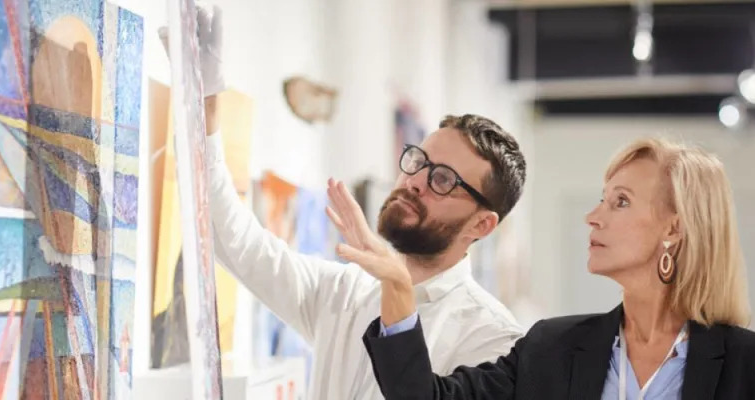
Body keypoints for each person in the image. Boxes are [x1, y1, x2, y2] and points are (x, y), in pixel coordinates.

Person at [174, 6, 529, 399]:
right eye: (418, 161)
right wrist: (203, 108)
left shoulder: (493, 340)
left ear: (482, 225)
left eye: (442, 179)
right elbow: (233, 242)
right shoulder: (348, 291)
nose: (414, 182)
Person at [332, 138, 755, 399]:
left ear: (675, 227)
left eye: (621, 202)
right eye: (601, 197)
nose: (594, 216)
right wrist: (397, 284)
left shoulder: (752, 366)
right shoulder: (551, 346)